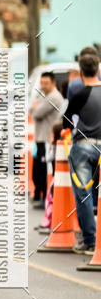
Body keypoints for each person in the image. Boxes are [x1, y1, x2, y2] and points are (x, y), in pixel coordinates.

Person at [62, 51, 101, 254]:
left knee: (84, 194)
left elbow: (66, 122)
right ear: (98, 69)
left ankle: (90, 241)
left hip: (83, 147)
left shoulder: (79, 95)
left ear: (81, 71)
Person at [29, 71, 63, 208]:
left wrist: (35, 109)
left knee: (44, 171)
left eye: (46, 83)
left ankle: (44, 198)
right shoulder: (45, 96)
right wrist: (34, 109)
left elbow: (36, 113)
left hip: (47, 139)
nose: (43, 86)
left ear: (53, 83)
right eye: (42, 83)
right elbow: (32, 110)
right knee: (37, 170)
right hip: (40, 138)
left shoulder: (54, 97)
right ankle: (39, 195)